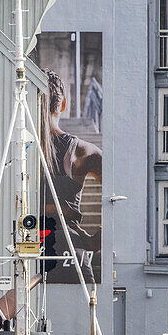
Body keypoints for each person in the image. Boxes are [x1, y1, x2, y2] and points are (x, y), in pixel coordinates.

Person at [42, 70, 103, 283]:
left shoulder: (18, 149)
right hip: (69, 249)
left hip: (25, 246)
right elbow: (124, 191)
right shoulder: (82, 152)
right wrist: (97, 239)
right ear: (63, 104)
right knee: (83, 314)